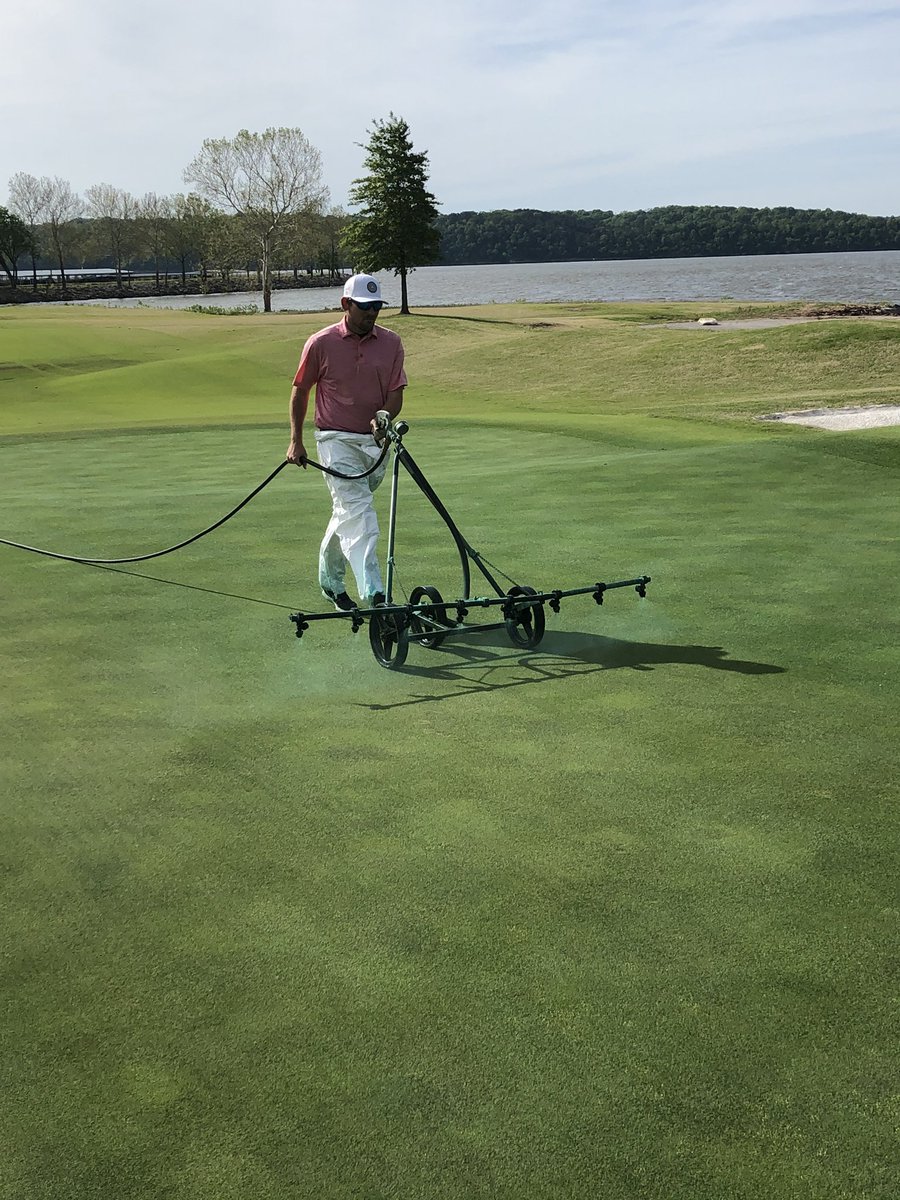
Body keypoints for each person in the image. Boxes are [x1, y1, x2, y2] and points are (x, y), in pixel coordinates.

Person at [286, 274, 407, 611]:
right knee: (360, 514)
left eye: (376, 307)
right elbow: (300, 390)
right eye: (364, 307)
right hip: (334, 440)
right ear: (345, 304)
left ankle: (330, 582)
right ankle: (375, 595)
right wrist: (295, 440)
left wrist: (384, 416)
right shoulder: (320, 342)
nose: (372, 314)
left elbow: (396, 394)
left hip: (375, 443)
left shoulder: (392, 342)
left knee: (347, 513)